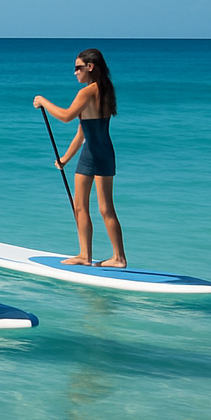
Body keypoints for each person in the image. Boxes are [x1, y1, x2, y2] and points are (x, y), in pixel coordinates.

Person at [33, 47, 127, 267]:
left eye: (78, 68)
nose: (75, 72)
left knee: (104, 208)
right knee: (80, 206)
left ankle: (118, 258)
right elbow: (82, 131)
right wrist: (65, 158)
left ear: (90, 67)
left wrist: (44, 102)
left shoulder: (88, 92)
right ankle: (85, 255)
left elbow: (66, 116)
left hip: (99, 153)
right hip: (92, 153)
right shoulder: (104, 89)